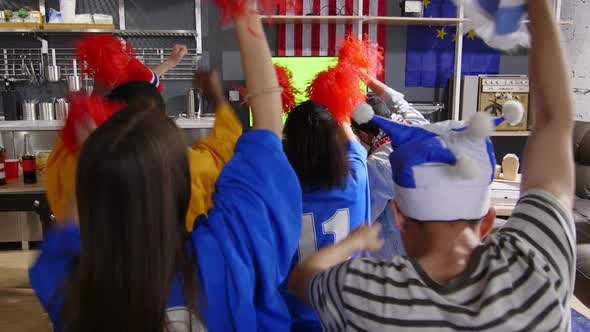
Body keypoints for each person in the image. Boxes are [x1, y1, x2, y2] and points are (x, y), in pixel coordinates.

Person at [288, 0, 577, 330]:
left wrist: (354, 242)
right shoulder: (537, 269)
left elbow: (304, 279)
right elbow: (555, 121)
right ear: (488, 220)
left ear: (398, 216)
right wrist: (537, 6)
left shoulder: (363, 294)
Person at [30, 2, 302, 331]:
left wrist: (98, 147)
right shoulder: (225, 255)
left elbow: (81, 205)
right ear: (179, 177)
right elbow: (266, 135)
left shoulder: (72, 282)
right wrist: (244, 11)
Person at [44, 43, 243, 232]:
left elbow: (64, 153)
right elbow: (226, 145)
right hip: (177, 264)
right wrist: (218, 98)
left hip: (110, 268)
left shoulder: (82, 171)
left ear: (108, 123)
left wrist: (94, 99)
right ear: (164, 122)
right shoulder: (192, 168)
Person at [281, 100, 370, 332]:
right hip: (350, 316)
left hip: (297, 320)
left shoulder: (278, 197)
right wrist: (337, 106)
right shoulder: (356, 181)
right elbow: (355, 146)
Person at [352, 78, 429, 259]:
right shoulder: (417, 123)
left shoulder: (378, 164)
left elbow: (365, 215)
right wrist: (366, 76)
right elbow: (396, 101)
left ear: (363, 134)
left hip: (410, 246)